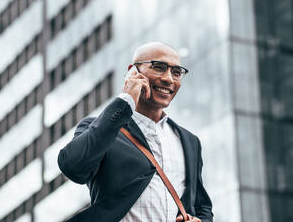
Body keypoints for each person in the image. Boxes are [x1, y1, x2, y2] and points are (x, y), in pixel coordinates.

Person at [58, 42, 213, 222]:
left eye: (176, 72)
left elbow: (202, 207)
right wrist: (125, 101)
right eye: (159, 68)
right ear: (133, 71)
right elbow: (73, 167)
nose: (169, 79)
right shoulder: (104, 128)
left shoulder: (189, 141)